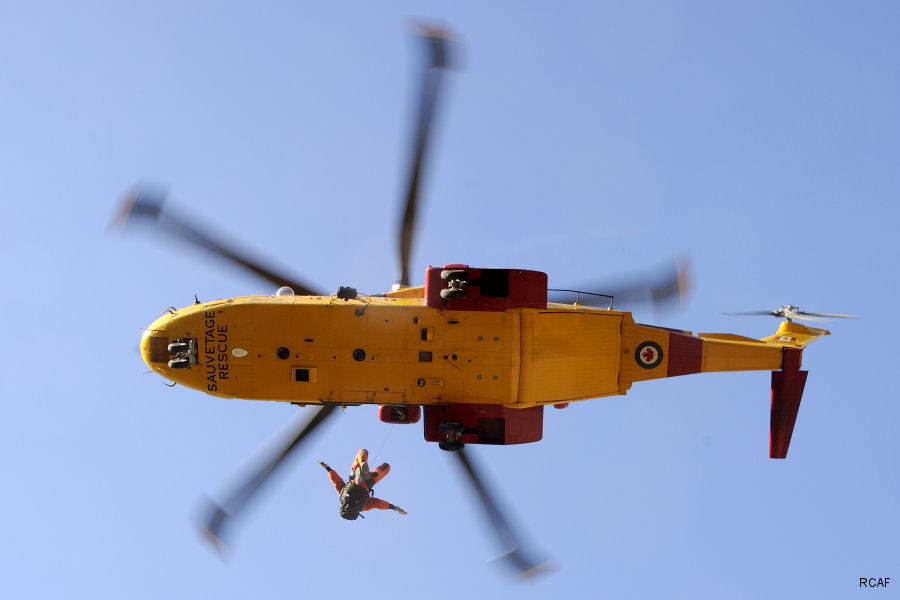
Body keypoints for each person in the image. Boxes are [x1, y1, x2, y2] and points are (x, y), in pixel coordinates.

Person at [317, 448, 407, 520]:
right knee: (363, 452)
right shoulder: (342, 496)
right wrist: (328, 469)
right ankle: (362, 463)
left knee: (386, 467)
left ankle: (371, 473)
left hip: (367, 484)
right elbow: (336, 482)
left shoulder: (362, 507)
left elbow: (378, 503)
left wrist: (393, 507)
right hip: (353, 479)